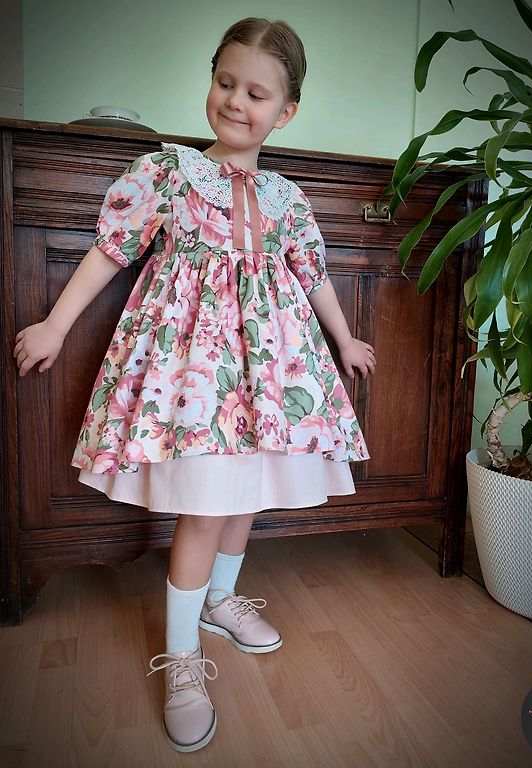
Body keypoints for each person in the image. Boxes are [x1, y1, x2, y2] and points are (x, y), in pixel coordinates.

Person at [13, 17, 376, 753]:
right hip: (197, 379)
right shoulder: (169, 173)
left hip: (271, 377)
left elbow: (312, 275)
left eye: (256, 93)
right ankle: (181, 658)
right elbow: (112, 250)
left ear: (286, 111)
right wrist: (54, 324)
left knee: (246, 496)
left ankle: (220, 600)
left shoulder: (287, 199)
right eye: (225, 83)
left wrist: (344, 338)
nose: (236, 101)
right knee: (207, 506)